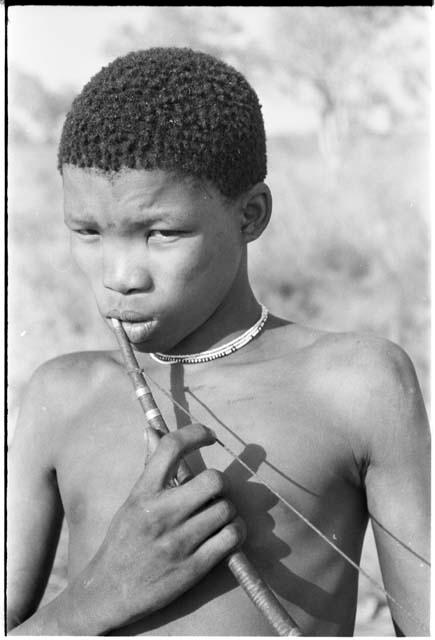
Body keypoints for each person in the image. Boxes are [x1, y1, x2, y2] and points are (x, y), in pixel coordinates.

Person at [7, 47, 430, 636]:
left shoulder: (359, 383)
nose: (119, 275)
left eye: (161, 233)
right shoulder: (61, 396)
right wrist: (98, 597)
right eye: (87, 232)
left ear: (250, 215)